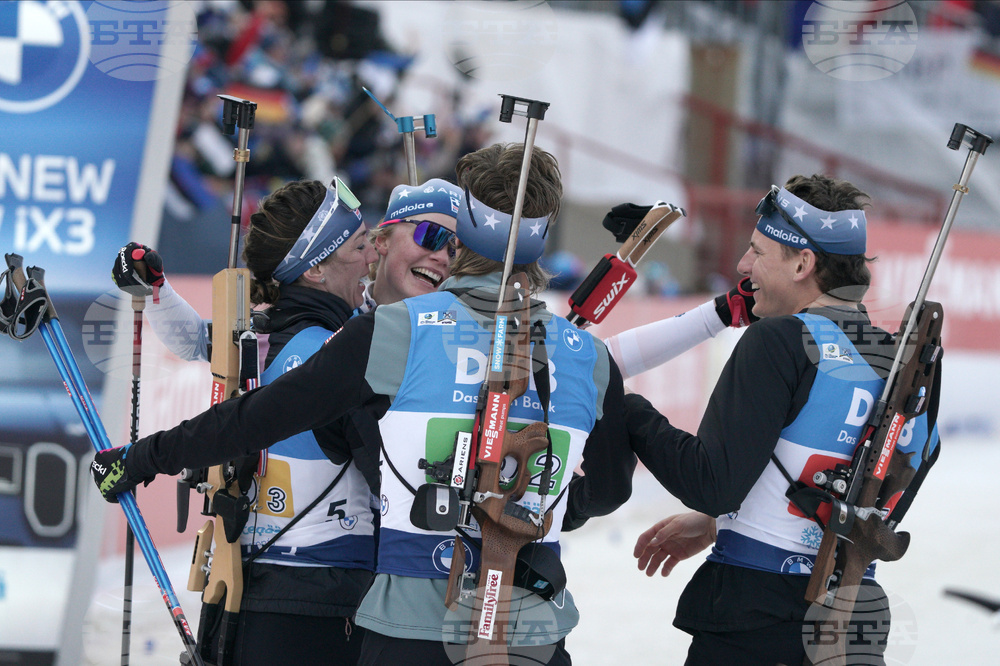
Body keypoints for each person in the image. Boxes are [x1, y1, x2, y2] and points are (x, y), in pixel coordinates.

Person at [93, 142, 638, 665]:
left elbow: (256, 419)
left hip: (411, 627)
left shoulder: (391, 333)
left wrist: (143, 458)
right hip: (532, 631)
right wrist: (533, 514)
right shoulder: (586, 354)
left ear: (466, 225)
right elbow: (611, 488)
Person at [111, 175, 462, 665]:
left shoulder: (260, 332)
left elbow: (196, 341)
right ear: (316, 268)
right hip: (322, 604)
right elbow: (393, 481)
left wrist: (158, 289)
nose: (370, 259)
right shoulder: (335, 353)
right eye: (361, 246)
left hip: (243, 592)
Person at [621, 175, 941, 666]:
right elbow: (873, 484)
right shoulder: (902, 365)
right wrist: (716, 524)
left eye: (757, 252)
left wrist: (627, 409)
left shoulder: (781, 341)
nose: (743, 268)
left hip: (756, 617)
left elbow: (713, 482)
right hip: (853, 622)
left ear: (802, 263)